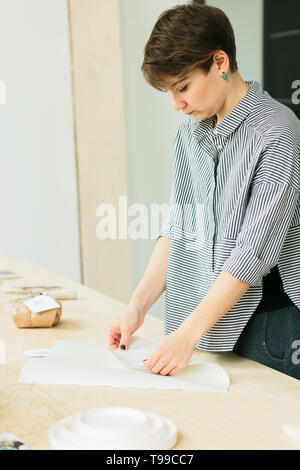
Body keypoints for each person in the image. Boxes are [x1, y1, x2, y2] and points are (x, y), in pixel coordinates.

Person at [106, 2, 300, 380]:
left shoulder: (277, 132)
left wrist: (188, 334)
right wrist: (137, 306)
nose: (177, 105)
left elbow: (253, 252)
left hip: (268, 326)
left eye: (183, 88)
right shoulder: (189, 136)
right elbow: (179, 228)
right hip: (202, 327)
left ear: (220, 62)